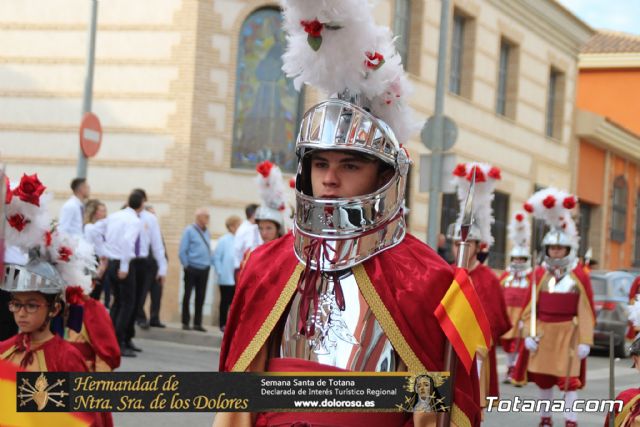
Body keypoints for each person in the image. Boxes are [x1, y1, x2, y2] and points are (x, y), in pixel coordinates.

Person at [215, 3, 481, 425]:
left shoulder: (427, 278)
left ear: (383, 176)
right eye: (321, 164)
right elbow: (238, 393)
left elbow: (434, 407)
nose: (330, 179)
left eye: (350, 166)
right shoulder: (266, 264)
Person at [513, 188, 595, 427]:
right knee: (543, 380)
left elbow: (586, 309)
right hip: (543, 334)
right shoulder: (539, 275)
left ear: (568, 250)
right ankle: (545, 418)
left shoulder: (578, 275)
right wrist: (529, 333)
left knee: (569, 381)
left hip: (569, 334)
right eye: (552, 248)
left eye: (560, 248)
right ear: (547, 250)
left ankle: (571, 420)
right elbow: (530, 307)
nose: (556, 252)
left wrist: (585, 340)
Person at [448, 162, 511, 412]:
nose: (460, 249)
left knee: (473, 406)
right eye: (456, 244)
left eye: (466, 244)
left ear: (478, 246)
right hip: (448, 347)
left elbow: (499, 320)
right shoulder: (444, 273)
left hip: (477, 350)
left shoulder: (489, 279)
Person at [103, 192, 144, 357]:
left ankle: (109, 341)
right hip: (123, 262)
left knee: (117, 303)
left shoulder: (115, 216)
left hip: (112, 261)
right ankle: (118, 343)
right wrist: (125, 266)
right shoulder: (135, 220)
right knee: (127, 304)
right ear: (141, 204)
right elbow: (128, 241)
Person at [499, 211, 533, 384]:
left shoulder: (530, 278)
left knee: (519, 344)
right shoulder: (506, 276)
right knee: (507, 344)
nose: (518, 261)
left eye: (522, 259)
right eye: (516, 258)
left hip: (522, 317)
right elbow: (497, 294)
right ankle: (510, 366)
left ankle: (516, 370)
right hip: (508, 316)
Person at [129, 189, 167, 330]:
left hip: (152, 265)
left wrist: (163, 267)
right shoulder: (128, 219)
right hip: (137, 262)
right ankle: (139, 319)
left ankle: (153, 318)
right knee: (137, 297)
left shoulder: (152, 224)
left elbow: (159, 247)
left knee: (154, 295)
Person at [178, 207, 212, 332]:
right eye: (206, 216)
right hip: (191, 267)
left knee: (201, 296)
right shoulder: (189, 230)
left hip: (204, 268)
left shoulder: (207, 231)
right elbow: (182, 250)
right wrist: (186, 265)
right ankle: (185, 322)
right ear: (199, 218)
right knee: (187, 295)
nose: (208, 219)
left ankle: (197, 323)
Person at [212, 215, 242, 332]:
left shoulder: (240, 238)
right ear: (232, 227)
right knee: (225, 301)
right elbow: (217, 257)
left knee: (234, 303)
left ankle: (232, 325)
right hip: (225, 276)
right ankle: (222, 324)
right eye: (238, 225)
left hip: (237, 277)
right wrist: (220, 271)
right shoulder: (224, 240)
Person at [84, 199, 110, 307]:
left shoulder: (104, 227)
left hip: (103, 260)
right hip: (95, 260)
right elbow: (97, 246)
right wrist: (102, 264)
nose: (104, 213)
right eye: (101, 210)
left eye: (105, 210)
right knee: (93, 292)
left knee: (98, 293)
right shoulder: (90, 227)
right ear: (95, 212)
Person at [233, 203, 261, 275]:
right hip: (243, 267)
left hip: (246, 265)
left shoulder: (251, 227)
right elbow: (251, 249)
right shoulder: (247, 229)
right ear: (253, 215)